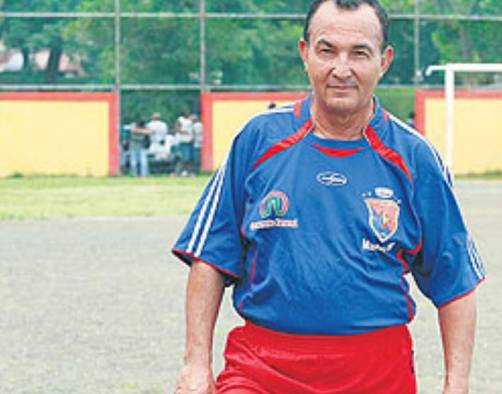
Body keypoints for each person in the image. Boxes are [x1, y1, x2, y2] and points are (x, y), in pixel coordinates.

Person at [172, 1, 485, 393]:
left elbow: (454, 280)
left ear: (384, 61)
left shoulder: (416, 158)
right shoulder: (258, 140)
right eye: (327, 50)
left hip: (375, 372)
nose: (341, 69)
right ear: (305, 54)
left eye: (359, 53)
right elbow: (210, 256)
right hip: (264, 367)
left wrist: (456, 386)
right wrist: (195, 364)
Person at [174, 111, 195, 176]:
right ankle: (178, 172)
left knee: (189, 158)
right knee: (184, 158)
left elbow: (192, 130)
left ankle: (188, 172)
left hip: (189, 140)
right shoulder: (180, 119)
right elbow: (176, 128)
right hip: (183, 141)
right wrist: (183, 131)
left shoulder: (190, 120)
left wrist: (193, 137)